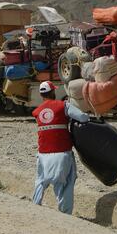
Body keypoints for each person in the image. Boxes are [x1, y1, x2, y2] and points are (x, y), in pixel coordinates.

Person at [31, 81, 89, 215]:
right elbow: (82, 117)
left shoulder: (37, 112)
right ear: (53, 92)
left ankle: (35, 206)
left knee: (40, 180)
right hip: (62, 152)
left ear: (41, 94)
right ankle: (65, 213)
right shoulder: (63, 105)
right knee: (67, 182)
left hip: (43, 154)